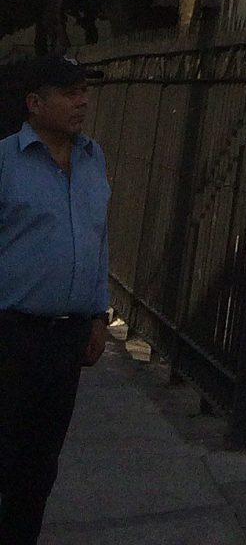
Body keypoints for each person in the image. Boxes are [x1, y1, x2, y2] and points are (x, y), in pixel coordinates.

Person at [0, 54, 111, 545]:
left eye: (83, 91)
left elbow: (98, 236)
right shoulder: (6, 162)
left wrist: (97, 315)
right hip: (11, 333)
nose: (81, 101)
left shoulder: (93, 158)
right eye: (68, 93)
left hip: (66, 337)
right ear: (34, 103)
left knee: (41, 462)